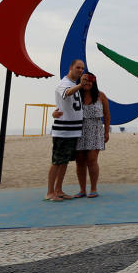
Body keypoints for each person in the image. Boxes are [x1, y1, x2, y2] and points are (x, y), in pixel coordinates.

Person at [46, 59, 85, 201]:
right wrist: (81, 85)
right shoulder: (63, 84)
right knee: (56, 161)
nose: (80, 70)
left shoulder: (74, 84)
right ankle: (50, 192)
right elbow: (67, 93)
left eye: (82, 68)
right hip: (62, 130)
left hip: (73, 131)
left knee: (64, 162)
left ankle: (59, 189)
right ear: (71, 67)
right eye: (78, 67)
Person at [73, 73, 110, 198]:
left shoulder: (101, 96)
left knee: (92, 160)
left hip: (95, 130)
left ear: (94, 83)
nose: (87, 83)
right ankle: (82, 190)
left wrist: (106, 132)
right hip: (78, 130)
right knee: (79, 161)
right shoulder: (76, 95)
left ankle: (93, 188)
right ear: (80, 81)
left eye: (90, 81)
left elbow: (106, 115)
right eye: (84, 80)